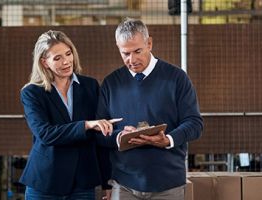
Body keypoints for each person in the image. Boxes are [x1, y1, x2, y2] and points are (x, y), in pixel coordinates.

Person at [95, 18, 203, 200]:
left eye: (138, 51)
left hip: (168, 184)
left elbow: (194, 124)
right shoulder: (110, 84)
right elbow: (99, 132)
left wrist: (167, 139)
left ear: (149, 43)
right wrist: (119, 136)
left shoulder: (177, 78)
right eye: (125, 53)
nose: (132, 59)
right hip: (124, 185)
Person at [20, 30, 114, 200]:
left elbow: (100, 138)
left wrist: (107, 182)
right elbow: (46, 134)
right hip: (46, 182)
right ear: (44, 62)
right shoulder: (32, 93)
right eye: (57, 58)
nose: (66, 61)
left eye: (68, 54)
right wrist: (86, 125)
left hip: (83, 183)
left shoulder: (90, 86)